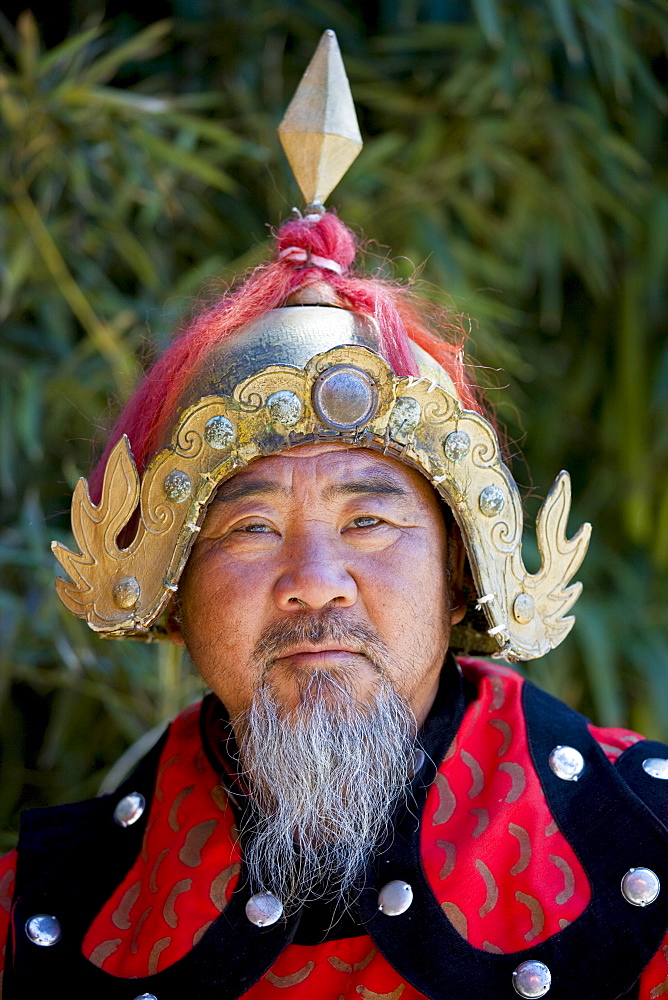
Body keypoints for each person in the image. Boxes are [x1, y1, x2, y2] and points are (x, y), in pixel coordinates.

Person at [1, 30, 668, 1000]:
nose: (313, 577)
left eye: (369, 521)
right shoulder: (34, 921)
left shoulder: (647, 852)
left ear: (457, 574)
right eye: (250, 526)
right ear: (175, 589)